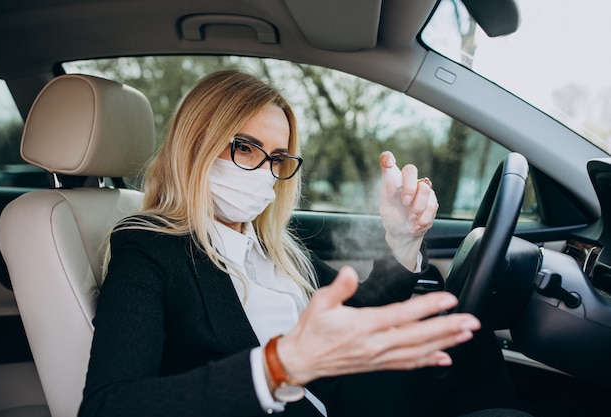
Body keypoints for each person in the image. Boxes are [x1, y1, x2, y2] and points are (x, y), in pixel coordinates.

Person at [79, 70, 524, 417]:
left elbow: (351, 311)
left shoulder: (273, 243)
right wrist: (278, 366)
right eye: (245, 148)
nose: (264, 171)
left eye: (277, 158)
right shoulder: (148, 247)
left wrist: (402, 241)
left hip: (336, 397)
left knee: (466, 336)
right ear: (195, 145)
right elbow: (107, 406)